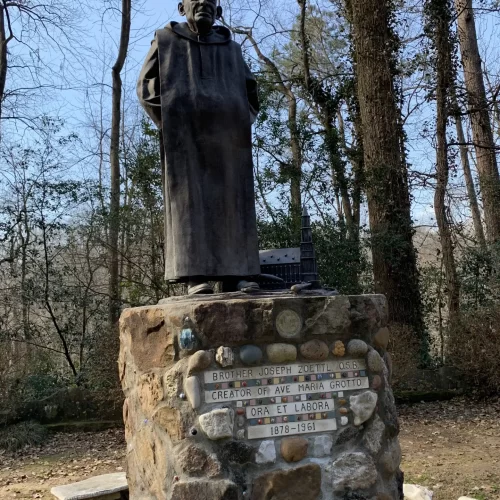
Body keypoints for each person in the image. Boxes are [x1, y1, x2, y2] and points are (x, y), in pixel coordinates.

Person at [137, 0, 261, 295]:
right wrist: (174, 123)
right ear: (182, 8)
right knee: (190, 205)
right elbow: (146, 87)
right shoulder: (166, 40)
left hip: (229, 145)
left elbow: (251, 94)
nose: (203, 1)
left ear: (218, 11)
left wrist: (235, 124)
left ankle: (236, 274)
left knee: (232, 203)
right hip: (187, 143)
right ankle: (196, 276)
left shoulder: (232, 50)